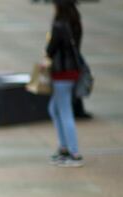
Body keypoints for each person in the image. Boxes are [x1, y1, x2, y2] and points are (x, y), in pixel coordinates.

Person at [46, 0, 84, 167]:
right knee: (54, 108)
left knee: (64, 111)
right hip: (72, 71)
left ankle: (73, 152)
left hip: (61, 73)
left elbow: (50, 49)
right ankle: (64, 148)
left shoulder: (60, 24)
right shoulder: (75, 21)